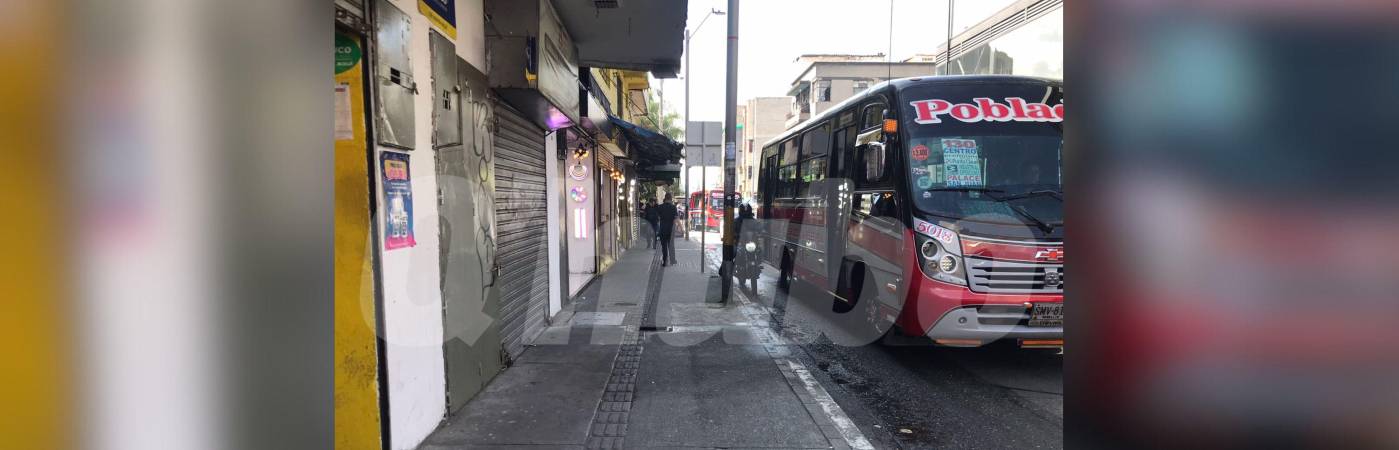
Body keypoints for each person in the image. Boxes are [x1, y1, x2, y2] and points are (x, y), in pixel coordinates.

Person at [655, 193, 680, 266]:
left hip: (663, 229)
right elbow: (675, 219)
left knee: (664, 246)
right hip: (671, 229)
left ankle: (664, 261)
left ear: (665, 198)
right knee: (671, 245)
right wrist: (680, 228)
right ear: (671, 199)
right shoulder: (673, 207)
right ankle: (672, 260)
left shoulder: (660, 207)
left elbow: (658, 218)